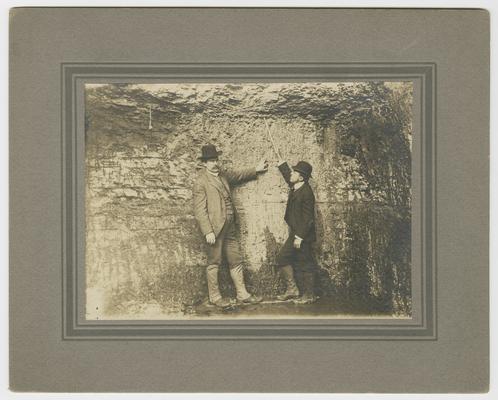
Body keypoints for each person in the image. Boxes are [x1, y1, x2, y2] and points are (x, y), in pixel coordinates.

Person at [193, 144, 268, 307]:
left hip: (230, 228)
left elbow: (238, 175)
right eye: (210, 161)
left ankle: (242, 294)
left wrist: (256, 169)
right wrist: (208, 231)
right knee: (214, 261)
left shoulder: (223, 176)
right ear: (204, 163)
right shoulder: (201, 182)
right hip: (215, 230)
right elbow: (199, 210)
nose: (214, 163)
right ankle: (214, 297)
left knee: (236, 259)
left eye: (215, 160)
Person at [275, 158, 318, 304]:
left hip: (303, 235)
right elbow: (289, 177)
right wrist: (282, 165)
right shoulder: (296, 186)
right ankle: (293, 290)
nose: (291, 174)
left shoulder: (307, 193)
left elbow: (308, 219)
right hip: (296, 233)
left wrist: (299, 237)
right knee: (283, 258)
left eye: (294, 172)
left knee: (306, 262)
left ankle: (309, 295)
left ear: (300, 177)